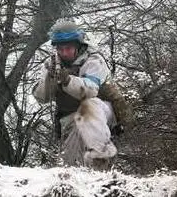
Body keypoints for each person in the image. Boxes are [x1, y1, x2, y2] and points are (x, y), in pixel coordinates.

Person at [33, 19, 131, 169]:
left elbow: (91, 90)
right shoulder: (51, 63)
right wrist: (49, 77)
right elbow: (42, 98)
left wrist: (66, 80)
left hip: (101, 112)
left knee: (89, 106)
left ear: (77, 45)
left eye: (68, 48)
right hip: (70, 118)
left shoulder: (93, 59)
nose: (64, 53)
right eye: (60, 49)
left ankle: (101, 155)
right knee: (72, 166)